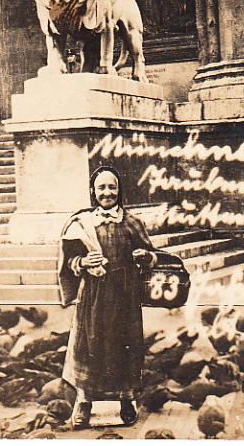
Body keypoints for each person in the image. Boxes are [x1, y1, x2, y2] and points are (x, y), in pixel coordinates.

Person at [57, 166, 158, 430]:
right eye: (101, 188)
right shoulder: (83, 224)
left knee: (126, 346)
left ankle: (127, 400)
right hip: (93, 295)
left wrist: (145, 257)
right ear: (93, 191)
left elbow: (151, 254)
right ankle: (84, 402)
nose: (107, 193)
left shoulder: (132, 222)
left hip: (125, 295)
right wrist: (83, 261)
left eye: (112, 187)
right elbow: (69, 262)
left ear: (119, 190)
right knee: (89, 347)